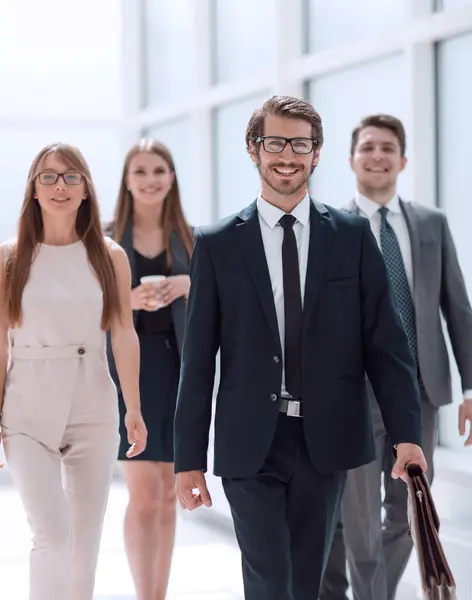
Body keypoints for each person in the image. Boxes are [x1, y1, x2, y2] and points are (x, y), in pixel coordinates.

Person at [173, 95, 427, 600]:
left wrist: (407, 435)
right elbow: (198, 360)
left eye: (300, 143)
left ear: (316, 152)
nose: (286, 155)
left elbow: (386, 345)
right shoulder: (218, 242)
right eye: (275, 142)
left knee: (305, 581)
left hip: (325, 439)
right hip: (249, 441)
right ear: (253, 149)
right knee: (268, 580)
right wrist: (188, 460)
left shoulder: (352, 237)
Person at [320, 114, 472, 600]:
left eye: (387, 147)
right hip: (353, 391)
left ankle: (372, 595)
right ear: (351, 161)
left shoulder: (431, 223)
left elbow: (458, 309)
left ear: (403, 160)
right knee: (360, 519)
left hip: (419, 388)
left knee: (411, 512)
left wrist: (470, 387)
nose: (378, 155)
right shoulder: (330, 228)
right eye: (367, 147)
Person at [0, 143, 147, 600]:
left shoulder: (109, 256)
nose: (59, 186)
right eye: (48, 177)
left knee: (84, 548)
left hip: (92, 405)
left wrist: (134, 408)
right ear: (33, 189)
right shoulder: (9, 257)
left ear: (85, 189)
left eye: (70, 177)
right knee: (54, 538)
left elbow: (123, 332)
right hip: (26, 409)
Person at [105, 138, 193, 600]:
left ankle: (158, 594)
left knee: (169, 495)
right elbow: (83, 307)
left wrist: (188, 284)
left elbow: (229, 302)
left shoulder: (191, 238)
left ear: (171, 177)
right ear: (126, 180)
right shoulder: (103, 238)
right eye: (140, 171)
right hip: (127, 375)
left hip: (180, 372)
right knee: (144, 495)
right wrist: (126, 301)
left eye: (159, 170)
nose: (150, 179)